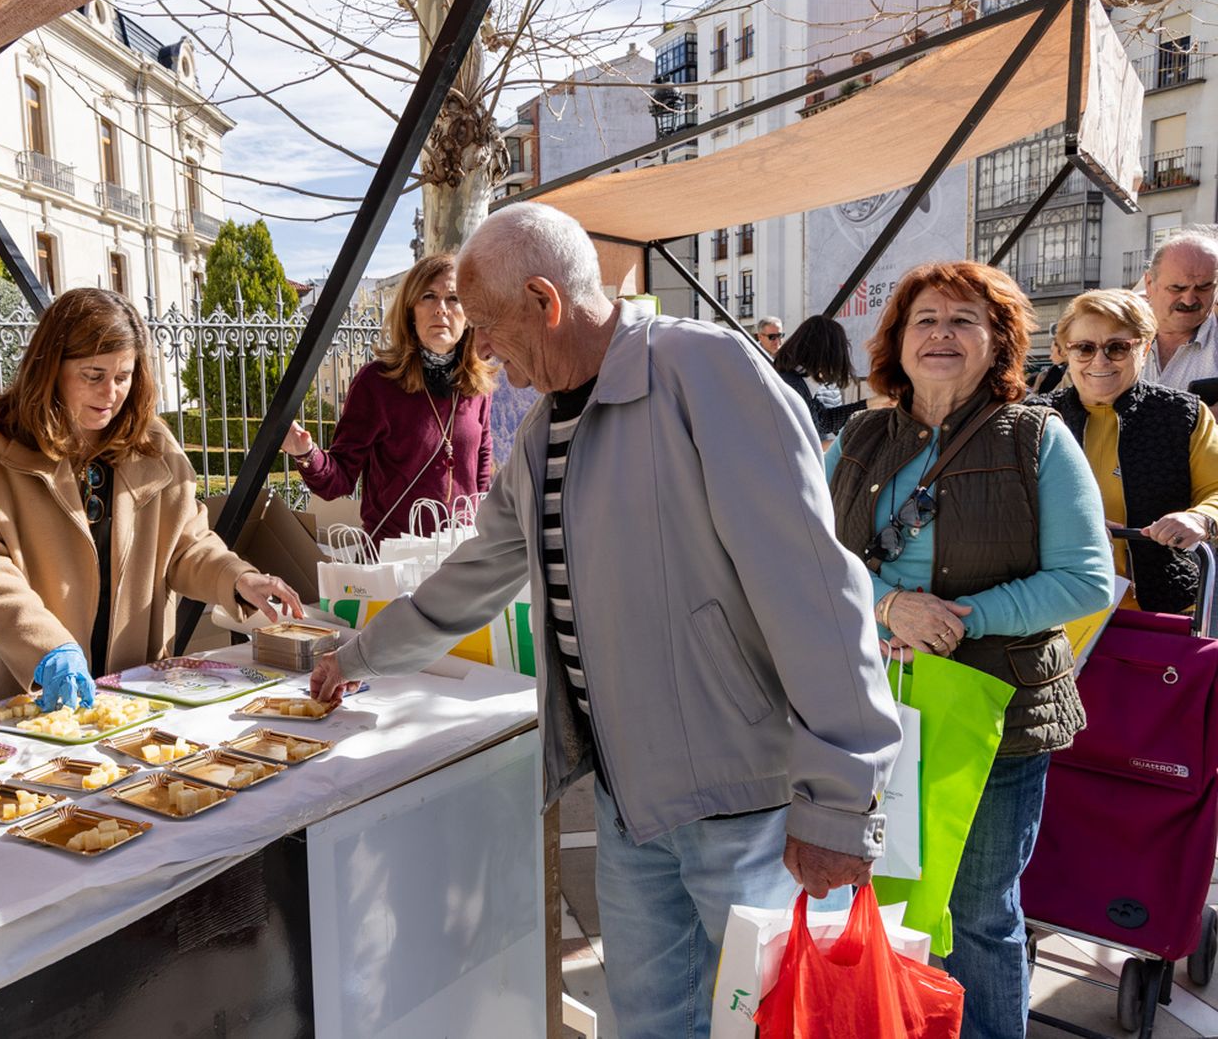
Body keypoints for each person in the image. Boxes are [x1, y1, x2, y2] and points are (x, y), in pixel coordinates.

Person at [310, 203, 901, 1039]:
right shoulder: (543, 433)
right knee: (649, 1027)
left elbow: (811, 585)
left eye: (487, 326)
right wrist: (360, 650)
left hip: (743, 811)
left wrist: (842, 798)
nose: (480, 350)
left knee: (764, 1027)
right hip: (630, 808)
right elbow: (472, 578)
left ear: (546, 301)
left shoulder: (705, 371)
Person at [825, 261, 1114, 1039]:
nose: (942, 334)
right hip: (870, 700)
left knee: (980, 907)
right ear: (897, 340)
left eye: (963, 320)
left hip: (996, 710)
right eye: (926, 319)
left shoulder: (1038, 438)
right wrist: (890, 604)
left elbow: (1088, 579)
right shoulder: (858, 434)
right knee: (880, 891)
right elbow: (811, 555)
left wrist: (961, 617)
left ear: (998, 343)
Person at [0, 288, 303, 716]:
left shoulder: (154, 443)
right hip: (21, 686)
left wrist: (238, 578)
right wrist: (49, 647)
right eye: (93, 375)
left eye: (123, 376)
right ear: (50, 368)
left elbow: (187, 544)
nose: (111, 393)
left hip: (131, 686)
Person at [281, 253, 493, 544]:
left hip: (459, 559)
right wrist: (306, 454)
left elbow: (481, 475)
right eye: (428, 296)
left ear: (469, 315)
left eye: (454, 298)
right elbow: (339, 480)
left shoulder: (476, 386)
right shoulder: (377, 383)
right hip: (392, 559)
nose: (441, 309)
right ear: (410, 311)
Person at [1035, 288, 1218, 612]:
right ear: (1066, 352)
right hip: (1053, 607)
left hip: (1159, 609)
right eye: (1084, 348)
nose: (1100, 361)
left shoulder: (1181, 414)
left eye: (1117, 348)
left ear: (1145, 348)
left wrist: (1200, 519)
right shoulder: (1032, 417)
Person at [1139, 226, 1218, 392]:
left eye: (1203, 288)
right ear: (1149, 284)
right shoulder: (1115, 333)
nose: (1189, 300)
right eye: (1177, 288)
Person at [772, 314, 868, 441]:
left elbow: (824, 420)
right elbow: (800, 443)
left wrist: (870, 404)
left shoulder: (796, 382)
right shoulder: (794, 388)